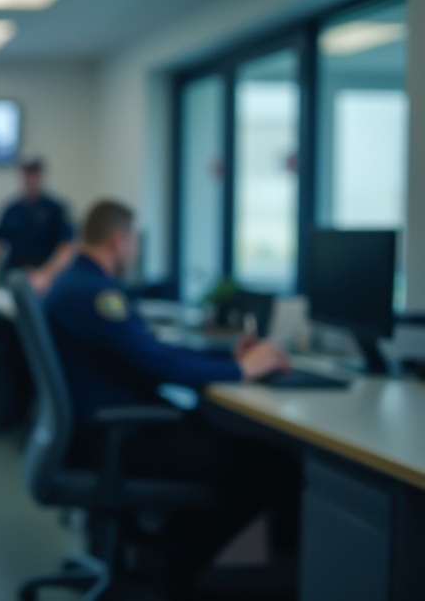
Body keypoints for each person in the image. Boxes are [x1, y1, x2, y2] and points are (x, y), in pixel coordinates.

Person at [43, 200, 299, 595]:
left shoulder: (75, 283)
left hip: (102, 431)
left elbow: (151, 351)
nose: (135, 252)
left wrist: (227, 356)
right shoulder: (96, 294)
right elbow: (160, 363)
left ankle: (163, 557)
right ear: (118, 240)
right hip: (114, 439)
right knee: (273, 466)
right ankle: (175, 562)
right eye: (134, 243)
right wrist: (243, 370)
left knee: (238, 449)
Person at [0, 157, 75, 292]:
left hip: (44, 276)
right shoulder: (12, 209)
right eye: (27, 173)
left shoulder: (56, 209)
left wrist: (45, 274)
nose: (30, 178)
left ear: (41, 175)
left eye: (34, 173)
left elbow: (67, 248)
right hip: (14, 275)